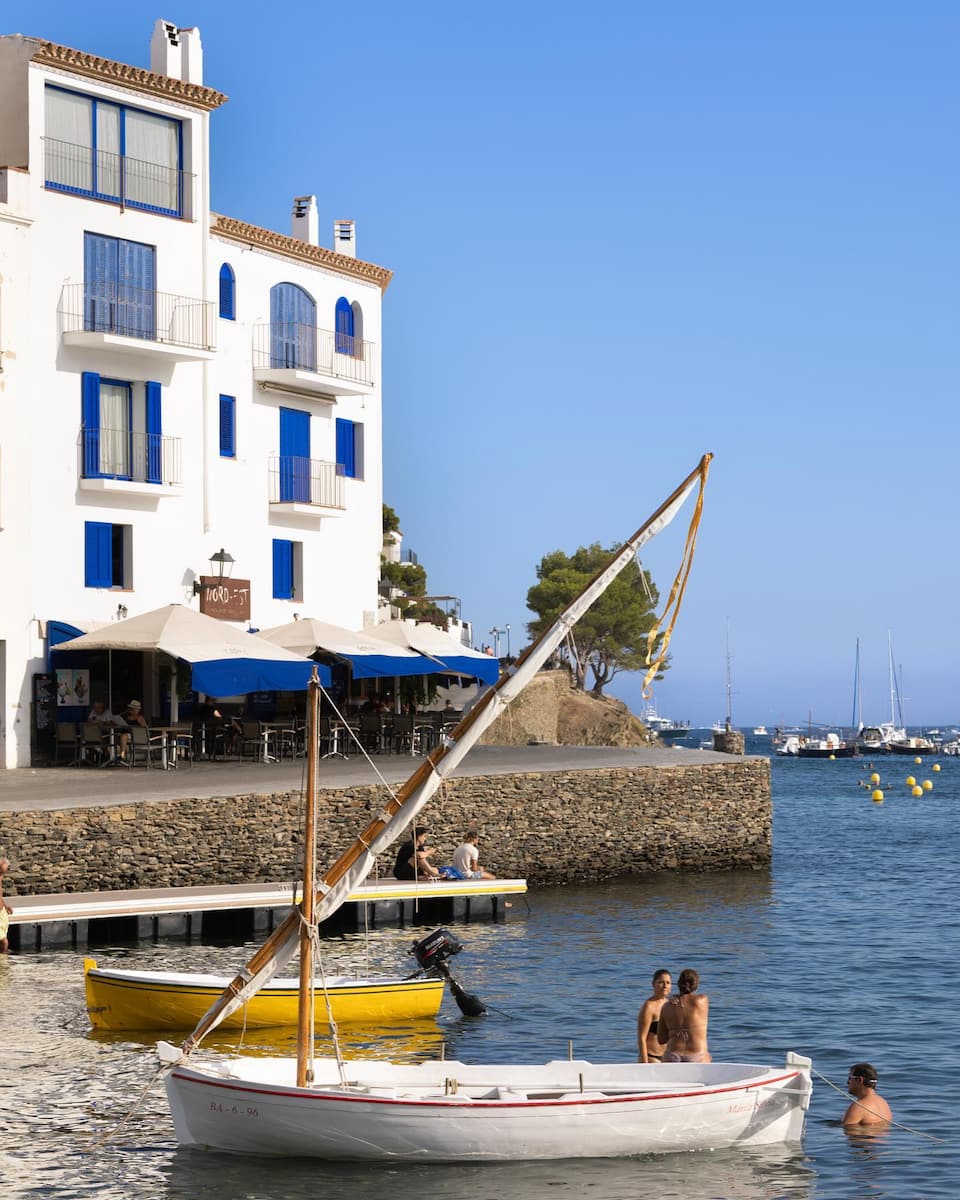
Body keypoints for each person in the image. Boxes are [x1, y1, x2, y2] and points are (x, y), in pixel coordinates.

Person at [657, 967, 711, 1062]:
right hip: (697, 1055)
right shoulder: (703, 1000)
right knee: (707, 1057)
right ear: (696, 985)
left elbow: (661, 1039)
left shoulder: (666, 1006)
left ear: (678, 984)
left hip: (672, 1055)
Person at [637, 968, 672, 1063]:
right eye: (661, 982)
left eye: (668, 983)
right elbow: (642, 1037)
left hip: (668, 1058)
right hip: (651, 1057)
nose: (665, 986)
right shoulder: (649, 1006)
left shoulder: (670, 1004)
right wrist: (645, 1064)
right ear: (653, 984)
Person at [0, 857, 13, 954]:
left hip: (2, 913)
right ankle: (3, 963)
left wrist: (5, 906)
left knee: (4, 941)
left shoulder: (0, 877)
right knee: (4, 942)